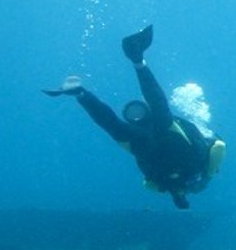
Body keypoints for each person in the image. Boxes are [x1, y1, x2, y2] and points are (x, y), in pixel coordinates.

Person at [43, 25, 224, 209]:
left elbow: (217, 150)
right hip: (165, 144)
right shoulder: (194, 174)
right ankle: (85, 91)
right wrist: (204, 176)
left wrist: (182, 190)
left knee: (130, 122)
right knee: (126, 124)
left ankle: (86, 90)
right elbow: (218, 147)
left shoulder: (167, 184)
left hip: (152, 146)